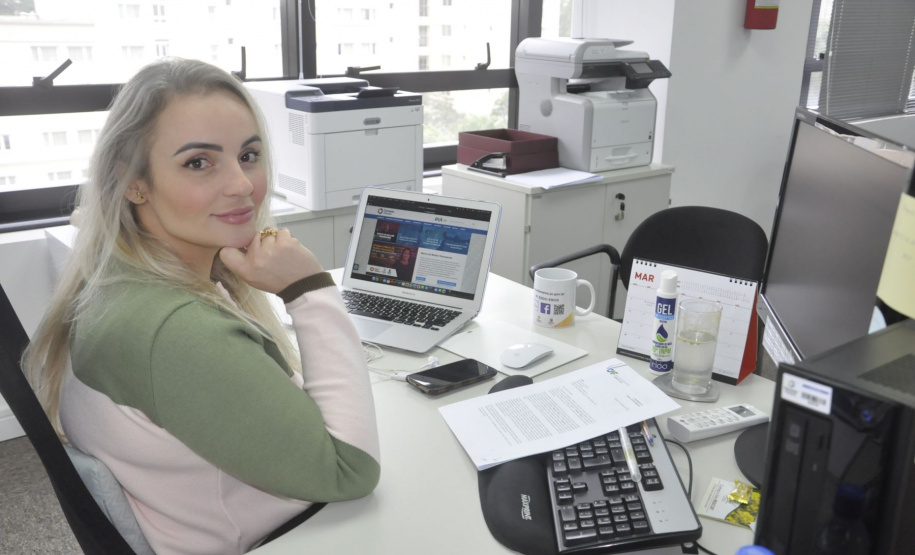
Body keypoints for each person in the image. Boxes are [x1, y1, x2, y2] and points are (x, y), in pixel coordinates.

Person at [22, 59, 380, 554]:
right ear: (133, 182)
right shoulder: (177, 331)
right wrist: (309, 290)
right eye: (198, 162)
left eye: (249, 155)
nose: (242, 185)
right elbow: (352, 470)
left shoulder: (124, 278)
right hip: (275, 537)